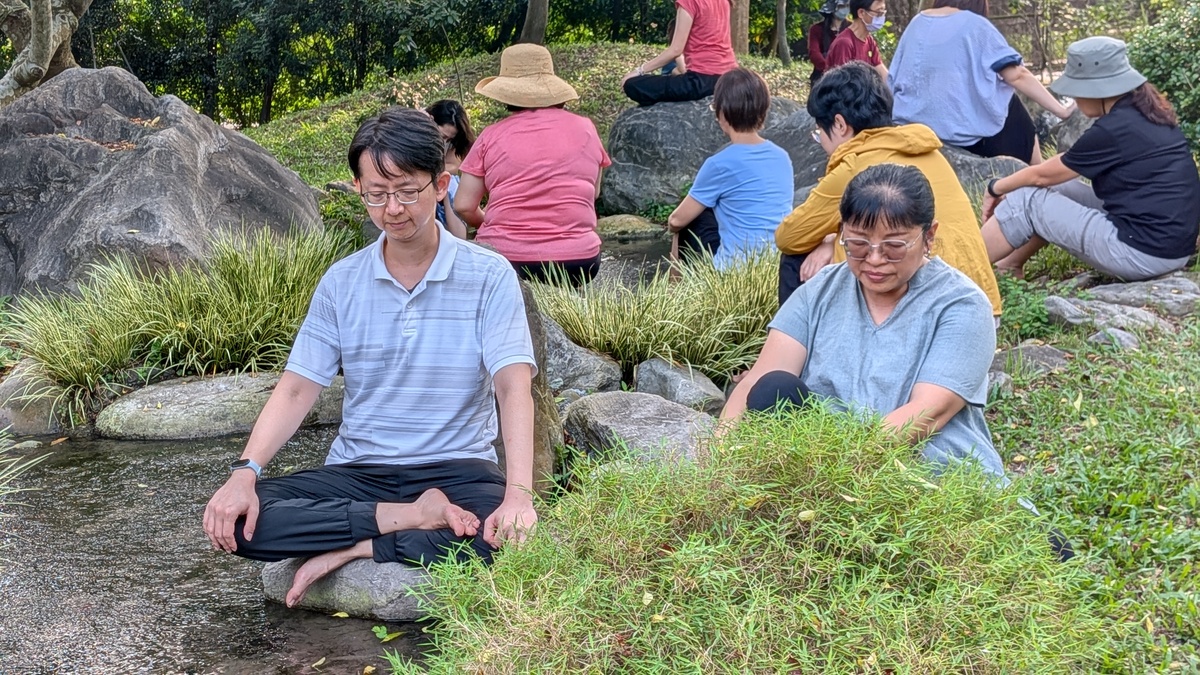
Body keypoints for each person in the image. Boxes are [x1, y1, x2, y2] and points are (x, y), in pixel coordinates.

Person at [202, 107, 539, 609]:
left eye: (407, 191)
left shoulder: (488, 274)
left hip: (459, 468)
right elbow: (297, 388)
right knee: (242, 521)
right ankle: (410, 519)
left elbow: (513, 387)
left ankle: (361, 543)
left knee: (500, 536)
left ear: (441, 184)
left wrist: (519, 495)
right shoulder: (342, 281)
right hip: (361, 472)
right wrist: (243, 473)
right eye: (376, 194)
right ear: (358, 189)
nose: (393, 209)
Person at [724, 163, 1006, 483]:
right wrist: (717, 463)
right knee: (773, 390)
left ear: (929, 236)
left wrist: (845, 471)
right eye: (858, 244)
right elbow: (754, 381)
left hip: (929, 471)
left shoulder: (962, 305)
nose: (874, 259)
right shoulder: (819, 291)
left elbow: (928, 413)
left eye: (894, 246)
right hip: (827, 459)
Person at [774, 62, 1001, 319]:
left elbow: (789, 237)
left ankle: (798, 348)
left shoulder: (853, 165)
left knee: (795, 258)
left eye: (819, 134)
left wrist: (828, 237)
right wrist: (832, 238)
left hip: (921, 318)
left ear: (839, 124)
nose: (822, 144)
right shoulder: (928, 151)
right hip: (982, 308)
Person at [981, 37, 1200, 280]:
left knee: (1027, 201)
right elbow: (1055, 172)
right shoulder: (1145, 113)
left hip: (1142, 252)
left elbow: (1042, 175)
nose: (1074, 100)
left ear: (1098, 88)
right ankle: (1010, 265)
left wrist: (995, 188)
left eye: (1077, 91)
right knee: (1057, 187)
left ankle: (957, 268)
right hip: (1170, 245)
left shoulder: (1114, 129)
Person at [455, 44, 611, 287]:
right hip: (581, 261)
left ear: (507, 92)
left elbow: (464, 205)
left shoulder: (491, 135)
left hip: (508, 260)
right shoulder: (587, 128)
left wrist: (488, 222)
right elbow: (594, 192)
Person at [888, 0, 1074, 165]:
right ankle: (1038, 172)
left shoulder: (917, 23)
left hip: (911, 126)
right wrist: (1061, 111)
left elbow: (893, 78)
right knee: (1012, 105)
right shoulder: (975, 25)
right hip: (960, 134)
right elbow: (1017, 75)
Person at [666, 67, 794, 269]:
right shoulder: (783, 157)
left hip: (734, 270)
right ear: (763, 110)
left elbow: (676, 221)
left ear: (722, 114)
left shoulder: (719, 164)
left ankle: (678, 295)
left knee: (685, 223)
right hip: (775, 264)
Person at [620, 0, 738, 106]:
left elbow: (676, 50)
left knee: (632, 84)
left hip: (700, 82)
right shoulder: (725, 1)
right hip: (728, 77)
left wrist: (639, 71)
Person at [426, 99, 473, 239]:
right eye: (443, 137)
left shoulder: (453, 143)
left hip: (439, 178)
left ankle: (454, 235)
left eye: (449, 139)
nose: (445, 142)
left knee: (450, 182)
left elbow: (456, 166)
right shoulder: (416, 130)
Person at [825, 0, 888, 82]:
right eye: (879, 13)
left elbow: (879, 68)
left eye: (883, 13)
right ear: (861, 13)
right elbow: (843, 83)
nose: (882, 17)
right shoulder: (844, 43)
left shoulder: (869, 40)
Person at [808, 0, 849, 86]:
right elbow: (814, 53)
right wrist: (828, 70)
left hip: (848, 78)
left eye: (847, 6)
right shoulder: (817, 29)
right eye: (842, 6)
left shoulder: (852, 28)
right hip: (821, 77)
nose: (845, 9)